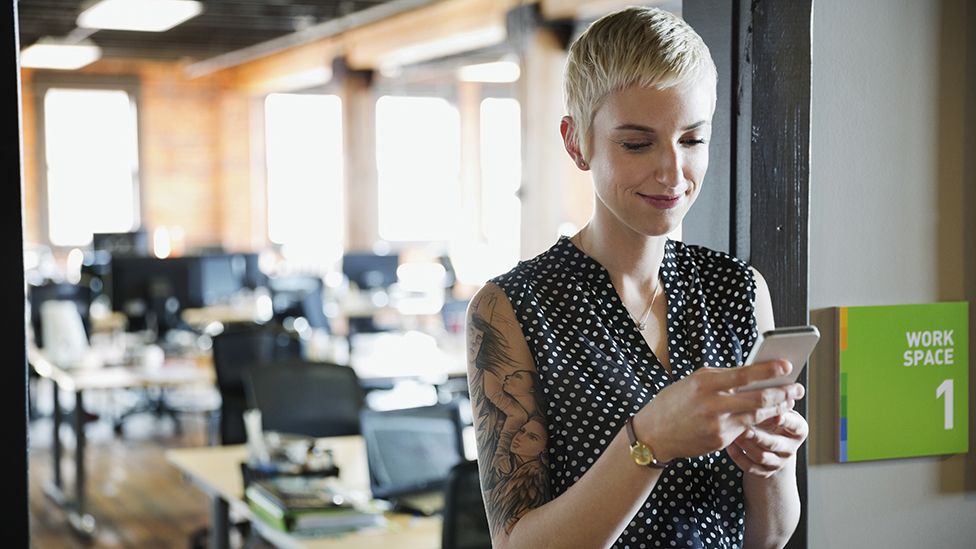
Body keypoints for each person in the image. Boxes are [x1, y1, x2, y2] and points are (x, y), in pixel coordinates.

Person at [466, 6, 808, 549]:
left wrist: (770, 463)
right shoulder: (514, 306)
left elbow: (768, 536)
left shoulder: (740, 291)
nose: (673, 172)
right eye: (637, 143)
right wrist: (647, 441)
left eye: (692, 140)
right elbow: (517, 544)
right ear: (577, 141)